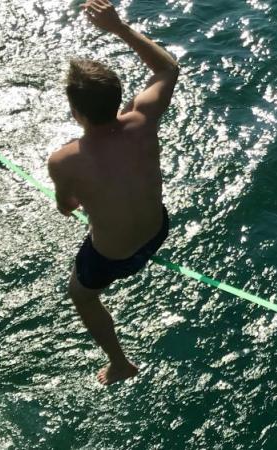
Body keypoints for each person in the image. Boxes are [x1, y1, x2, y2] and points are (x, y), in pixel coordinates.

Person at [47, 0, 180, 385]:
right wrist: (118, 27)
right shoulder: (142, 118)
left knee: (82, 295)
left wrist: (73, 198)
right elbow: (168, 68)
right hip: (158, 232)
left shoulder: (64, 160)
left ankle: (120, 363)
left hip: (114, 257)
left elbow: (65, 207)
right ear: (119, 98)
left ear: (77, 113)